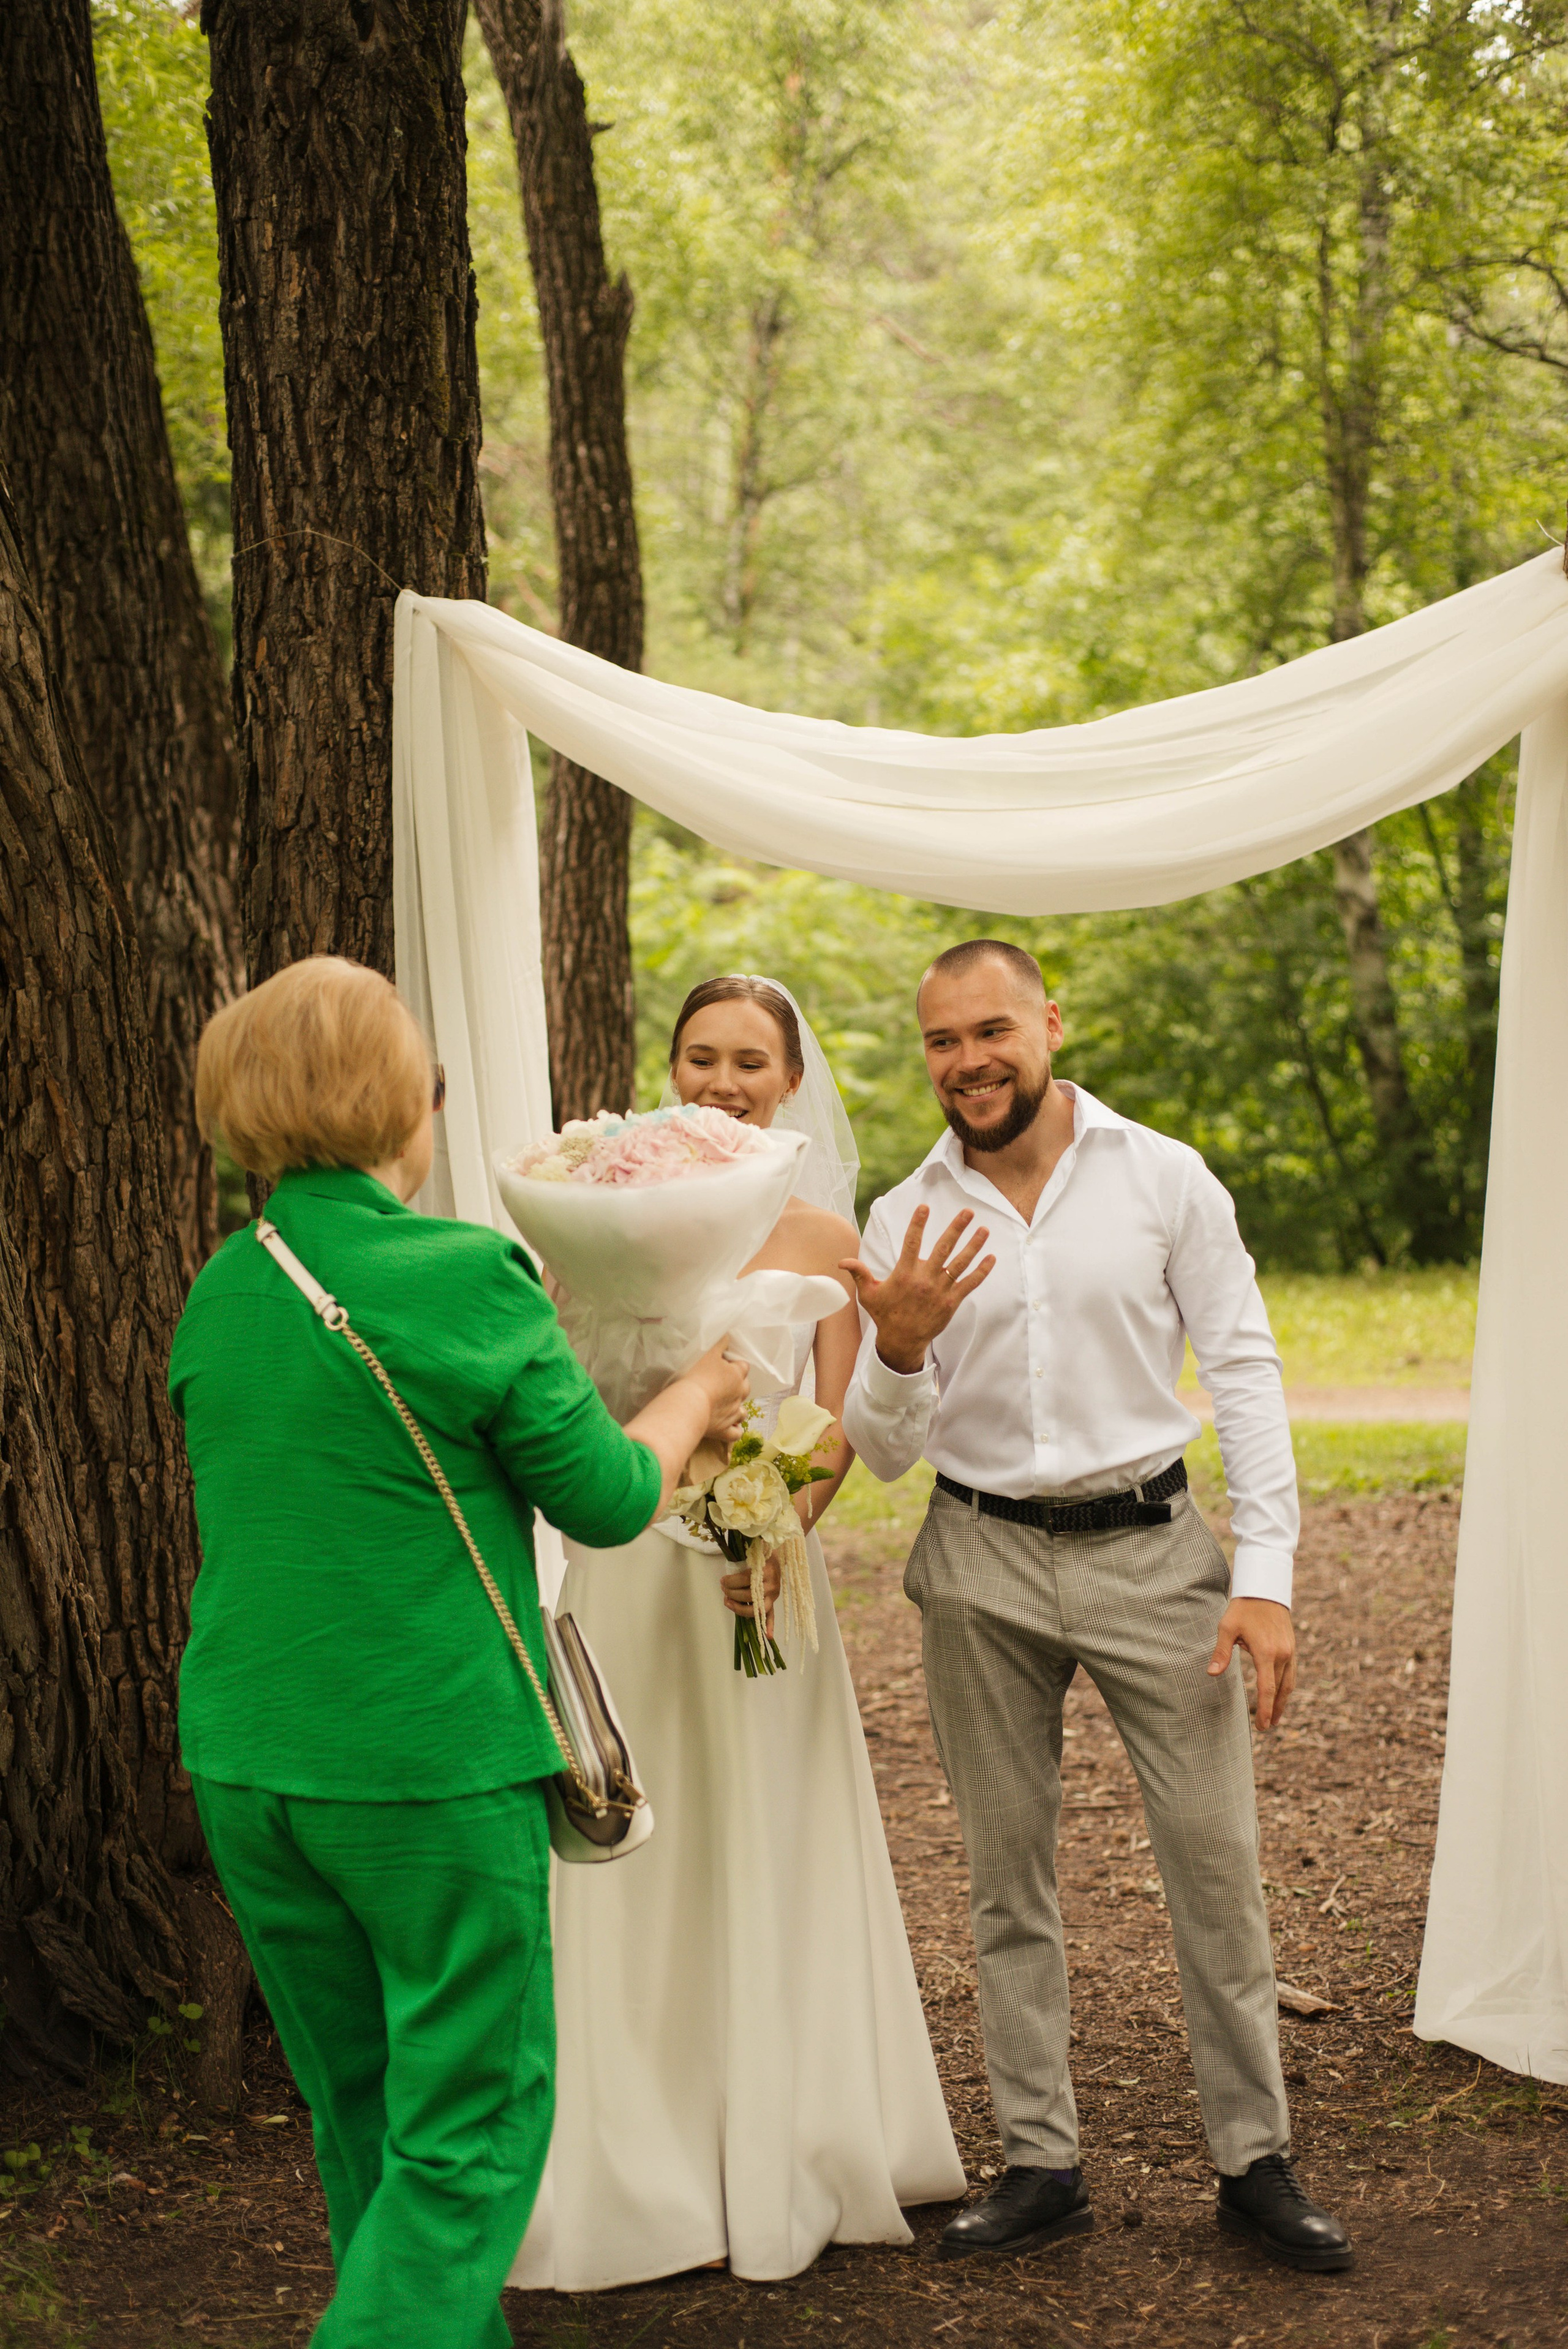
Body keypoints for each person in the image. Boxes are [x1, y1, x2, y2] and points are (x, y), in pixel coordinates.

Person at [170, 956, 750, 2349]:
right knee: (473, 2124)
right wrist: (698, 1393)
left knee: (368, 2110)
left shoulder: (223, 1287)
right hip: (424, 1759)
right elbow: (607, 1496)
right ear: (399, 1104)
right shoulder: (464, 1274)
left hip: (247, 1760)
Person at [840, 940, 1352, 2274]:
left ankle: (1253, 2161)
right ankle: (1039, 2165)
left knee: (1215, 1867)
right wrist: (898, 1348)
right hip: (978, 1558)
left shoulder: (1161, 1176)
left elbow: (1242, 1365)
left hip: (1153, 1556)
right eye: (942, 1041)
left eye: (991, 1030)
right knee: (1003, 1879)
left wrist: (1263, 1576)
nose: (967, 1062)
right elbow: (883, 1452)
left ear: (1050, 1023)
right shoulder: (904, 1217)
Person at [511, 974, 965, 2294]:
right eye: (700, 1057)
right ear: (669, 1070)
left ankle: (788, 2135)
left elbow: (834, 1425)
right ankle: (638, 2160)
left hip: (755, 1585)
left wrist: (776, 1526)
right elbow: (563, 1401)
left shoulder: (822, 1235)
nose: (722, 1081)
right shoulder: (592, 1222)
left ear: (790, 1081)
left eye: (749, 1061)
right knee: (635, 1862)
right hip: (624, 1576)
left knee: (761, 1839)